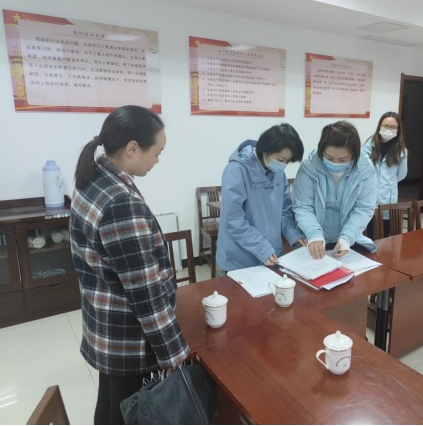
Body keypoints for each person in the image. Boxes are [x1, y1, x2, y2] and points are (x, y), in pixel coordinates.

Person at [69, 105, 190, 425]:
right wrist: (173, 352)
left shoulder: (92, 179)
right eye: (157, 152)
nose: (158, 160)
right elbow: (145, 293)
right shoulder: (121, 202)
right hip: (127, 336)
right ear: (132, 148)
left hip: (104, 321)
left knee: (111, 403)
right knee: (129, 411)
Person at [216, 123, 307, 272]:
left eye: (287, 161)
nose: (283, 165)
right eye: (281, 159)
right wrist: (261, 247)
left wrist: (294, 235)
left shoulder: (278, 173)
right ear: (266, 151)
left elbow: (284, 212)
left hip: (270, 252)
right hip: (240, 257)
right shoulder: (236, 170)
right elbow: (233, 219)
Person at [293, 121, 377, 260]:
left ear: (354, 155)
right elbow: (303, 206)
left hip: (347, 240)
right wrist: (314, 234)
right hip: (313, 240)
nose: (335, 163)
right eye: (329, 158)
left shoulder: (365, 169)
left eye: (342, 159)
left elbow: (364, 208)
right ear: (322, 150)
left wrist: (347, 237)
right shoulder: (309, 167)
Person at [362, 111, 408, 238]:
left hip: (386, 199)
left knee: (383, 235)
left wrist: (387, 183)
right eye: (385, 126)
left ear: (398, 130)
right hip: (368, 197)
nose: (388, 129)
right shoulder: (369, 145)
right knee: (366, 234)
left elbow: (401, 175)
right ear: (379, 126)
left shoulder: (401, 151)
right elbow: (362, 168)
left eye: (393, 127)